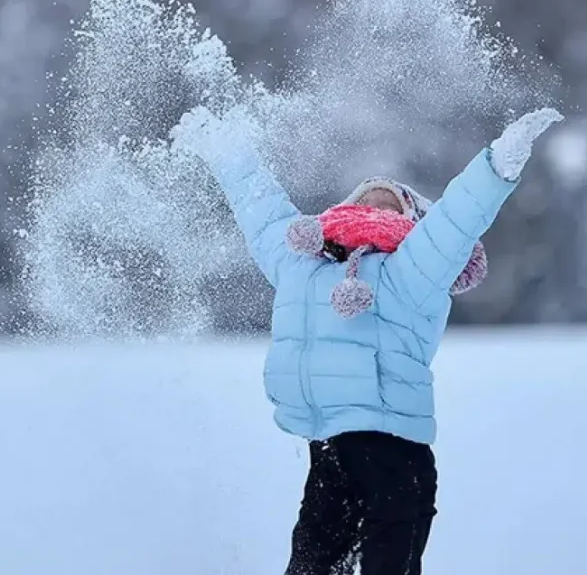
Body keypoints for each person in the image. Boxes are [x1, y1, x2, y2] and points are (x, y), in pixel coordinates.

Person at [170, 105, 563, 575]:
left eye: (389, 204)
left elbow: (457, 220)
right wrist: (227, 152)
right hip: (329, 451)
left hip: (395, 456)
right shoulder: (304, 266)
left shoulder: (414, 269)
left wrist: (498, 164)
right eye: (365, 201)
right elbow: (262, 211)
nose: (374, 210)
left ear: (414, 220)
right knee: (310, 566)